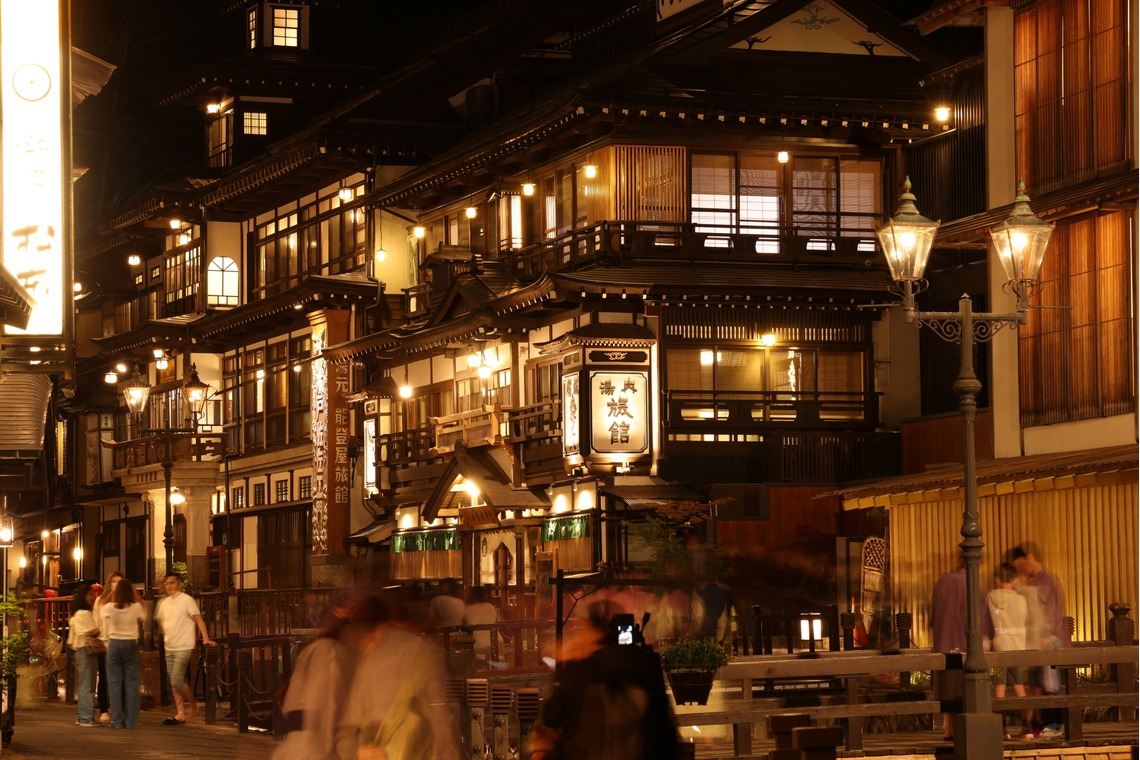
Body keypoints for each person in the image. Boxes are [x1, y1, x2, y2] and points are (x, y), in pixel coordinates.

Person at [530, 602, 679, 760]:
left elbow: (551, 716)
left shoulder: (579, 671)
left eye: (580, 628)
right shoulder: (646, 664)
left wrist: (566, 662)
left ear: (593, 631)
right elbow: (665, 729)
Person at [336, 592, 459, 760]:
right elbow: (438, 716)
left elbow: (346, 730)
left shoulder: (367, 659)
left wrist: (357, 751)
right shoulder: (421, 652)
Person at [274, 591, 389, 760]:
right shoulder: (330, 653)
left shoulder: (334, 651)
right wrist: (353, 751)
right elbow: (327, 711)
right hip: (312, 749)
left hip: (306, 746)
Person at [1011, 542, 1067, 738]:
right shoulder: (1034, 581)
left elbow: (1052, 611)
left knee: (1050, 683)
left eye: (1021, 565)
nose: (1021, 570)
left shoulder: (1048, 579)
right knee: (1037, 684)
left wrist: (1047, 636)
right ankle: (1038, 724)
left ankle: (1054, 725)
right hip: (1035, 642)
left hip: (1049, 641)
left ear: (1029, 557)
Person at [154, 574, 216, 725]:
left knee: (176, 679)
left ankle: (193, 704)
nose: (169, 586)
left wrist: (205, 638)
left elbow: (198, 619)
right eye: (167, 583)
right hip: (169, 645)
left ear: (179, 584)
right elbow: (162, 622)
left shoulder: (187, 600)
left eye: (172, 582)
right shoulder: (163, 603)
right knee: (174, 681)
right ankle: (180, 713)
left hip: (184, 644)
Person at [985, 562, 1030, 732]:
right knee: (1019, 687)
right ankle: (1026, 727)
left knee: (1000, 688)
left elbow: (987, 621)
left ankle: (1001, 728)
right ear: (1015, 579)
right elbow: (1025, 620)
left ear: (997, 580)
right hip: (1018, 646)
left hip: (999, 645)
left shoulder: (991, 597)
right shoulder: (1021, 600)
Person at [99, 575, 144, 729]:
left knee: (114, 684)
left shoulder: (110, 607)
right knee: (131, 684)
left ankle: (116, 721)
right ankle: (130, 721)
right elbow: (145, 615)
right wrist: (136, 595)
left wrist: (111, 594)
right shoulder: (135, 607)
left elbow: (101, 610)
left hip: (114, 644)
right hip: (131, 644)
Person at [930, 555, 967, 741]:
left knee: (946, 689)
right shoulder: (973, 585)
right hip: (964, 645)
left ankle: (949, 729)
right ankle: (962, 728)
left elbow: (933, 616)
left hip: (944, 642)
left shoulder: (944, 581)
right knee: (964, 688)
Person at [66, 584, 100, 727]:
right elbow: (92, 631)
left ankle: (82, 716)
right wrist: (98, 630)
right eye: (90, 594)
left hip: (80, 650)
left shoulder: (76, 614)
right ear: (84, 597)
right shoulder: (84, 614)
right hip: (86, 650)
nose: (94, 597)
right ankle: (86, 718)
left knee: (84, 684)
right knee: (88, 685)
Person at [92, 571, 124, 724]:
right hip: (104, 643)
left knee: (120, 677)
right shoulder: (100, 601)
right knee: (104, 677)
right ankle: (104, 710)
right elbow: (95, 621)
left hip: (120, 643)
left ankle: (120, 710)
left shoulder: (124, 601)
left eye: (119, 582)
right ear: (109, 584)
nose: (116, 584)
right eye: (113, 581)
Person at [463, 586, 499, 666]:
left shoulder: (467, 609)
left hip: (476, 644)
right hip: (494, 643)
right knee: (493, 670)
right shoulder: (490, 607)